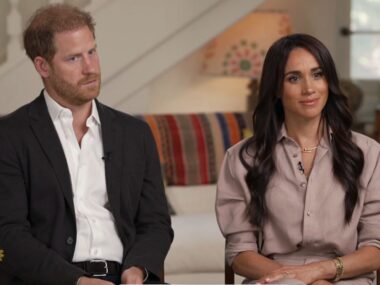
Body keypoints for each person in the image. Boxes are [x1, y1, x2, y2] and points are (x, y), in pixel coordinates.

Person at [0, 4, 173, 285]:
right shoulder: (10, 136)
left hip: (127, 277)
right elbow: (8, 234)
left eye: (92, 52)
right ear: (42, 66)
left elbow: (156, 223)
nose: (90, 68)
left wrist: (137, 268)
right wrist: (77, 281)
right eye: (73, 58)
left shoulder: (135, 134)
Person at [215, 33, 380, 285]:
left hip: (347, 278)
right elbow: (240, 253)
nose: (309, 88)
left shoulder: (368, 153)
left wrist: (318, 273)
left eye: (317, 74)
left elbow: (375, 248)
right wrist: (296, 279)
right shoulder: (241, 158)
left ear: (329, 81)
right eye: (294, 78)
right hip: (272, 279)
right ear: (276, 88)